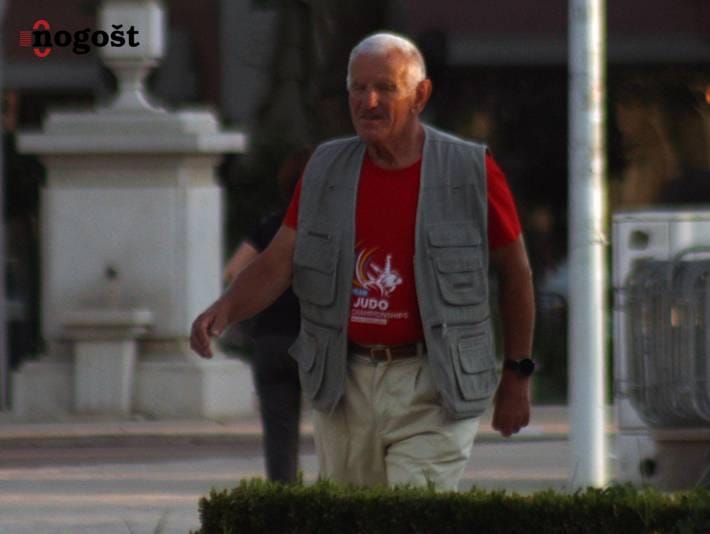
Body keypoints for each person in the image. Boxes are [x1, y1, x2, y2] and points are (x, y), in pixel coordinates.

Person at [191, 32, 535, 491]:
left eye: (386, 88)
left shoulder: (470, 170)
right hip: (344, 382)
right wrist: (224, 310)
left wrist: (517, 374)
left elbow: (516, 274)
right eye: (358, 87)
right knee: (354, 516)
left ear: (420, 96)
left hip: (434, 384)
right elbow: (278, 262)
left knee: (411, 513)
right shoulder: (324, 169)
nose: (368, 101)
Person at [222, 147, 312, 483]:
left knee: (279, 435)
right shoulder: (333, 227)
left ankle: (284, 501)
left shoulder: (269, 224)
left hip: (271, 340)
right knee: (338, 430)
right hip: (317, 340)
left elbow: (233, 271)